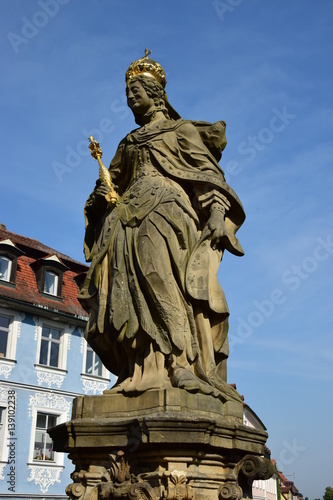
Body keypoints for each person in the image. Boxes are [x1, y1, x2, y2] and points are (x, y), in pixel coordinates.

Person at [79, 51, 245, 401]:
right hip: (124, 219)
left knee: (159, 278)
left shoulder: (179, 130)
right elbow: (115, 183)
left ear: (155, 94)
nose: (129, 99)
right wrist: (102, 193)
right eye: (126, 95)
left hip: (166, 211)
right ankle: (137, 368)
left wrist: (216, 213)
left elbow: (210, 176)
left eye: (135, 92)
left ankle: (181, 362)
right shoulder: (127, 142)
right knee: (117, 287)